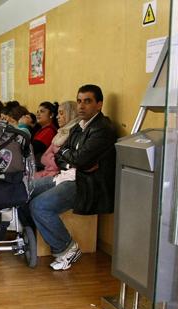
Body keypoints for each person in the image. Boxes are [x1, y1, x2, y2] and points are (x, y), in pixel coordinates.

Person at [29, 85, 117, 271]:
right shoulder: (79, 126)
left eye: (87, 101)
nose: (81, 106)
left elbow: (80, 160)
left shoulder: (102, 129)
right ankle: (29, 239)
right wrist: (72, 160)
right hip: (68, 175)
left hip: (86, 182)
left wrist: (73, 158)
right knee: (25, 189)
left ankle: (66, 248)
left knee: (40, 205)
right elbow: (61, 156)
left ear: (99, 105)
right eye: (79, 101)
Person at [35, 101, 80, 178]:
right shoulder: (60, 133)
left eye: (61, 113)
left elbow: (62, 164)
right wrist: (54, 157)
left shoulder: (75, 135)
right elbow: (43, 158)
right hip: (47, 172)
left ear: (71, 115)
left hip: (60, 175)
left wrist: (52, 157)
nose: (57, 117)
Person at [32, 102, 59, 169]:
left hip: (41, 167)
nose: (38, 114)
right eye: (37, 112)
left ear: (51, 115)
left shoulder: (49, 130)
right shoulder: (42, 129)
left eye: (42, 111)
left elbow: (34, 148)